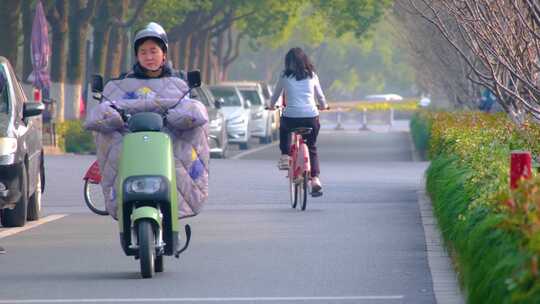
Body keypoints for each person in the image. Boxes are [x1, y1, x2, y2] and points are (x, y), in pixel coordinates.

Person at [84, 22, 209, 219]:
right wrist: (111, 117)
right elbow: (104, 111)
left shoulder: (181, 84)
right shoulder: (120, 85)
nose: (149, 57)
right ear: (136, 56)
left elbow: (195, 113)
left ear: (164, 53)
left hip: (168, 146)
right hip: (133, 148)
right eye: (143, 52)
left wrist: (178, 116)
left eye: (153, 51)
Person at [268, 47, 329, 195]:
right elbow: (320, 97)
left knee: (284, 127)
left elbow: (276, 95)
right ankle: (315, 179)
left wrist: (271, 106)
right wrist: (324, 106)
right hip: (310, 118)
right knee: (312, 146)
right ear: (305, 61)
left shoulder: (284, 76)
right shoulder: (312, 75)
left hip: (291, 118)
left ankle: (285, 155)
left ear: (288, 62)